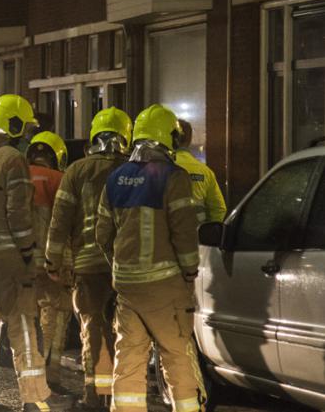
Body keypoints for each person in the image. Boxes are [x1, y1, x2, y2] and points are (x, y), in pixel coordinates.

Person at [0, 94, 71, 412]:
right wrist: (27, 252)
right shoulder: (13, 160)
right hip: (11, 261)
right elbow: (18, 213)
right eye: (26, 128)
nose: (28, 135)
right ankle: (36, 397)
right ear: (15, 125)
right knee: (23, 325)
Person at [95, 104, 204, 412]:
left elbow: (102, 234)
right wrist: (190, 271)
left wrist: (120, 265)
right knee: (177, 355)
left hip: (127, 287)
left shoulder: (115, 178)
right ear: (167, 137)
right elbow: (184, 233)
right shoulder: (173, 177)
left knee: (128, 360)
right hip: (165, 287)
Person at [45, 107, 132, 410]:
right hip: (128, 267)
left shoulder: (76, 171)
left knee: (93, 331)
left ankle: (96, 396)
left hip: (88, 266)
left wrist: (53, 261)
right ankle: (125, 396)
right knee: (127, 334)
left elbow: (60, 221)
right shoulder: (134, 172)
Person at [26, 131, 73, 395]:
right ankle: (48, 376)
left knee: (25, 319)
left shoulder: (16, 177)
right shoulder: (59, 180)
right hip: (51, 263)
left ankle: (28, 375)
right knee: (55, 317)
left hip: (21, 262)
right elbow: (65, 223)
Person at [174, 119, 226, 224]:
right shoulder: (205, 171)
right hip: (197, 232)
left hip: (170, 232)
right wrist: (209, 230)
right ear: (189, 140)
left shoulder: (161, 167)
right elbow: (219, 208)